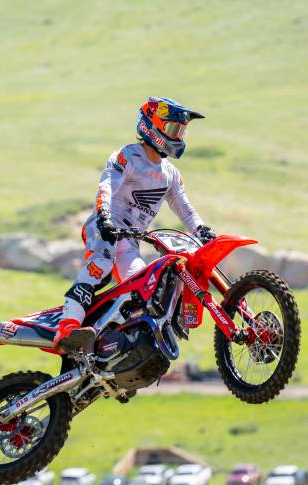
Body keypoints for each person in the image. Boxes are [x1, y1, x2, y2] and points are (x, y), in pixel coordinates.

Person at [53, 96, 216, 351]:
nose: (179, 136)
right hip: (104, 226)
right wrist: (104, 215)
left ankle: (117, 343)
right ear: (152, 125)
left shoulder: (170, 174)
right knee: (101, 263)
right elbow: (106, 184)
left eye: (182, 131)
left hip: (129, 241)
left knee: (142, 286)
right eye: (174, 128)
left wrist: (202, 230)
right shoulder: (128, 156)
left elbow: (184, 207)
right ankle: (67, 328)